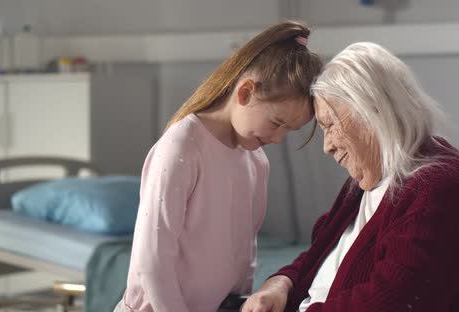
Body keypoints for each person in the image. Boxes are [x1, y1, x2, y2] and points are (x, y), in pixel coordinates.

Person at [242, 42, 459, 312]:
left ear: (372, 111)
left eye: (329, 125)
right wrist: (282, 282)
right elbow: (321, 254)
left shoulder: (436, 188)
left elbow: (393, 301)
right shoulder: (371, 180)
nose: (327, 146)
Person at [115, 21, 323, 312]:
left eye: (288, 131)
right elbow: (152, 261)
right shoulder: (182, 146)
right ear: (245, 93)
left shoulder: (256, 162)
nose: (278, 139)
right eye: (277, 123)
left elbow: (244, 254)